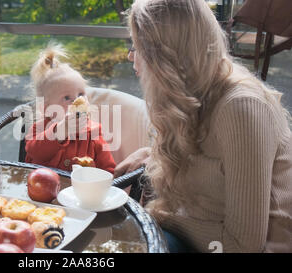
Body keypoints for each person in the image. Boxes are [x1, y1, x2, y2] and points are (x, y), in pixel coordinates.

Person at [118, 0, 292, 252]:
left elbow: (242, 245)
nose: (130, 56)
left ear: (166, 56)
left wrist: (154, 216)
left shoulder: (241, 108)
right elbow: (211, 160)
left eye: (137, 46)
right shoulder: (196, 92)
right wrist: (151, 155)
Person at [24, 43, 116, 173]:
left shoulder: (93, 133)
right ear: (47, 109)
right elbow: (35, 152)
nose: (78, 101)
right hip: (42, 191)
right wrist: (60, 130)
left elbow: (108, 170)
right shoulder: (39, 130)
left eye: (81, 94)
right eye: (67, 98)